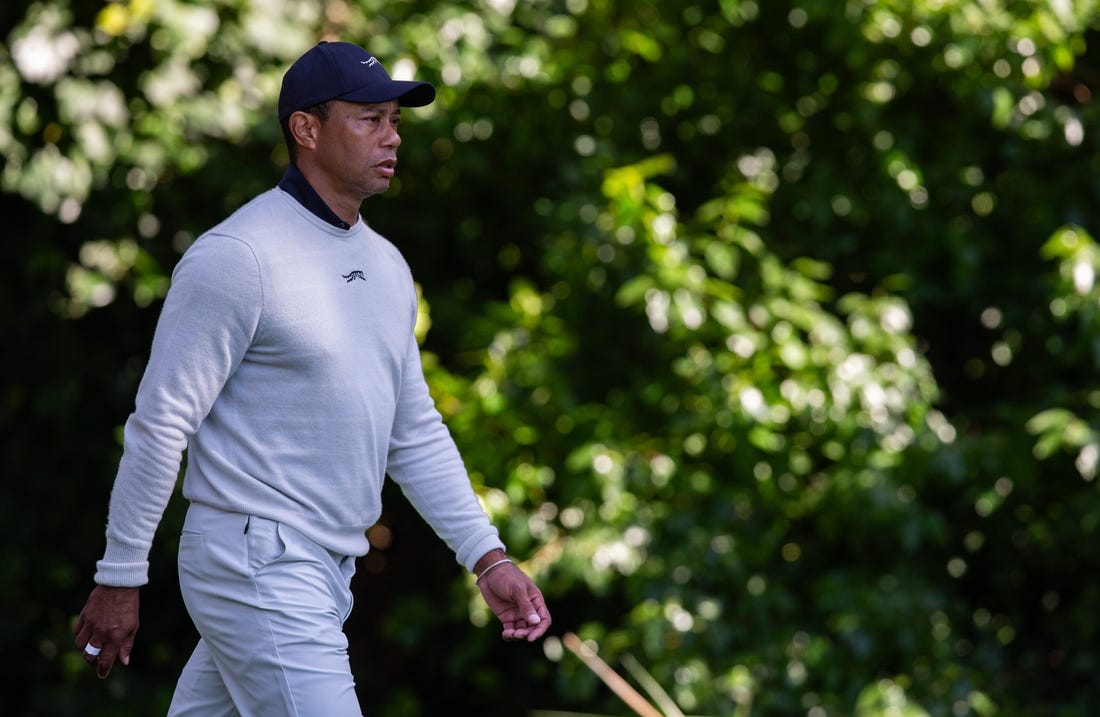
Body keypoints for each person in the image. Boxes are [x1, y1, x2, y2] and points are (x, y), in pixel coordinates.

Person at [72, 40, 551, 715]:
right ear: (306, 128)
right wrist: (121, 574)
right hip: (255, 556)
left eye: (395, 120)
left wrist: (487, 556)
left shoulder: (385, 267)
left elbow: (411, 429)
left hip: (323, 566)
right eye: (369, 119)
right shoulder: (239, 258)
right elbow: (161, 423)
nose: (392, 137)